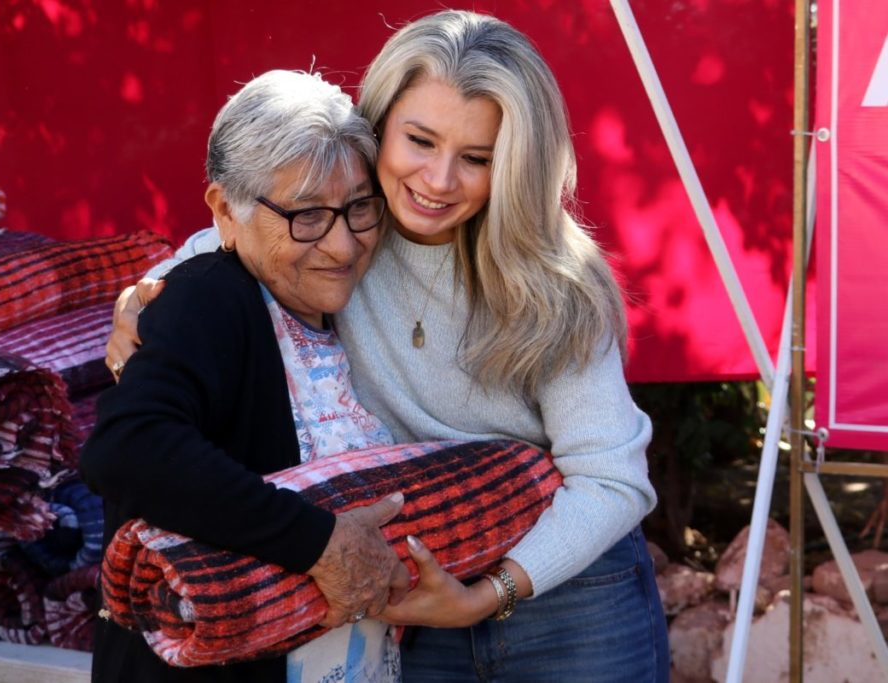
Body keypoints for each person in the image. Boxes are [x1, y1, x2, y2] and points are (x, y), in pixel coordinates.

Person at [108, 10, 669, 682]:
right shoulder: (347, 230)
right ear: (378, 125)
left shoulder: (556, 283)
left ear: (517, 165)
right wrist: (143, 298)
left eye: (477, 158)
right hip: (416, 590)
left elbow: (610, 477)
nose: (438, 180)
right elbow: (236, 235)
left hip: (568, 596)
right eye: (420, 140)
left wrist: (488, 595)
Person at [81, 69, 412, 683]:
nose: (343, 246)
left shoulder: (355, 307)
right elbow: (128, 449)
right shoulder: (209, 298)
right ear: (224, 212)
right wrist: (317, 542)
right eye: (307, 215)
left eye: (360, 207)